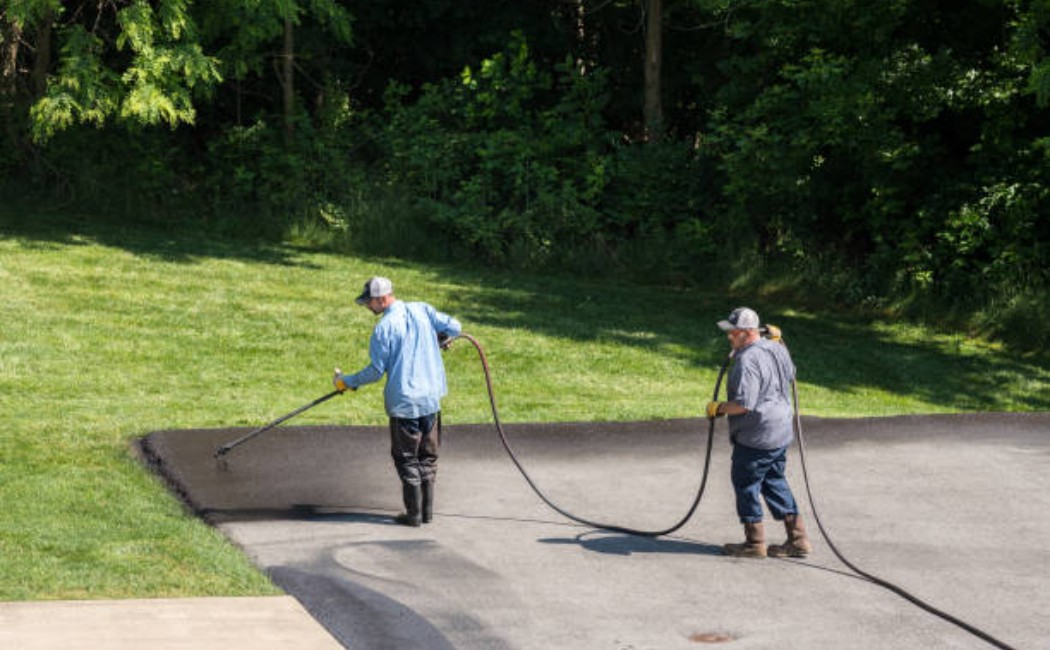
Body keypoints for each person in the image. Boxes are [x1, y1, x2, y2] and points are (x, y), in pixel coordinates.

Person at [333, 276, 462, 527]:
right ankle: (426, 513)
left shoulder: (384, 328)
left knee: (406, 458)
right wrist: (441, 338)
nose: (368, 307)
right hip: (431, 399)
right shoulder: (422, 309)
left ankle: (413, 515)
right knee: (428, 456)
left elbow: (375, 371)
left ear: (382, 299)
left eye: (369, 302)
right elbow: (455, 326)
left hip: (405, 403)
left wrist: (346, 381)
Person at [706, 307, 812, 558]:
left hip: (757, 435)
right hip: (780, 431)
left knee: (746, 483)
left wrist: (718, 408)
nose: (729, 337)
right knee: (774, 480)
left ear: (746, 333)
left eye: (733, 333)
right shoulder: (777, 348)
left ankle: (754, 544)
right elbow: (792, 374)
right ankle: (798, 540)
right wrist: (777, 342)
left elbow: (744, 404)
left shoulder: (746, 361)